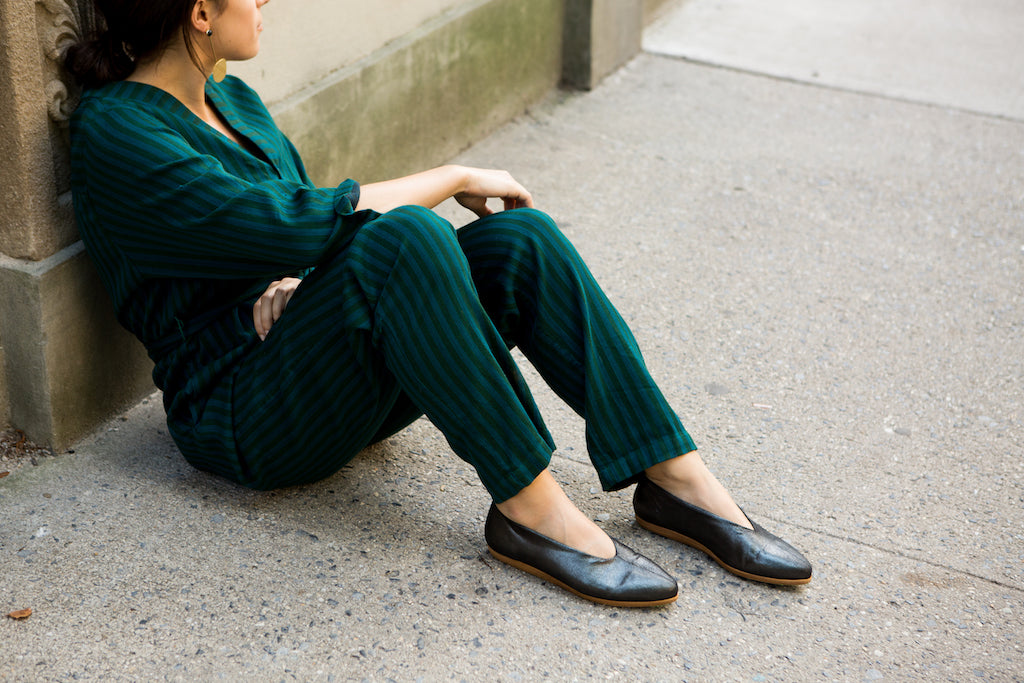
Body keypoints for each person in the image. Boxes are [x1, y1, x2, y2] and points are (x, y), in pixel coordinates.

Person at [64, 0, 812, 608]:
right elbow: (300, 221)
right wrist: (451, 174)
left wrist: (291, 280)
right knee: (409, 235)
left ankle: (672, 475)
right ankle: (531, 512)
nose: (269, 4)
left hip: (310, 362)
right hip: (238, 409)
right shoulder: (117, 131)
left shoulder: (234, 100)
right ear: (201, 11)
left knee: (522, 240)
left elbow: (278, 232)